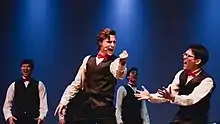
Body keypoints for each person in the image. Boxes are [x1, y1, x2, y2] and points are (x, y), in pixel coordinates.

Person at [54, 28, 128, 124]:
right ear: (100, 42)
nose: (112, 45)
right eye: (109, 42)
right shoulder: (88, 60)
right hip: (87, 111)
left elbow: (119, 75)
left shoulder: (115, 61)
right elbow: (76, 84)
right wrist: (63, 101)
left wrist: (122, 62)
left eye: (114, 42)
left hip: (104, 112)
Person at [135, 44, 215, 124]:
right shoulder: (181, 74)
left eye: (188, 56)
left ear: (198, 61)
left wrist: (173, 98)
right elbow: (169, 93)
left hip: (197, 121)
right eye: (184, 54)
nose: (184, 57)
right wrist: (150, 96)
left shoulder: (207, 81)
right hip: (181, 118)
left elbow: (191, 99)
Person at [3, 59, 48, 124]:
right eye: (23, 66)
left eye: (28, 67)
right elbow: (7, 103)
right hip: (18, 120)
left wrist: (41, 117)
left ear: (31, 69)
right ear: (21, 68)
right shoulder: (14, 85)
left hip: (34, 120)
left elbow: (43, 103)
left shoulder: (39, 85)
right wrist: (9, 116)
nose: (25, 69)